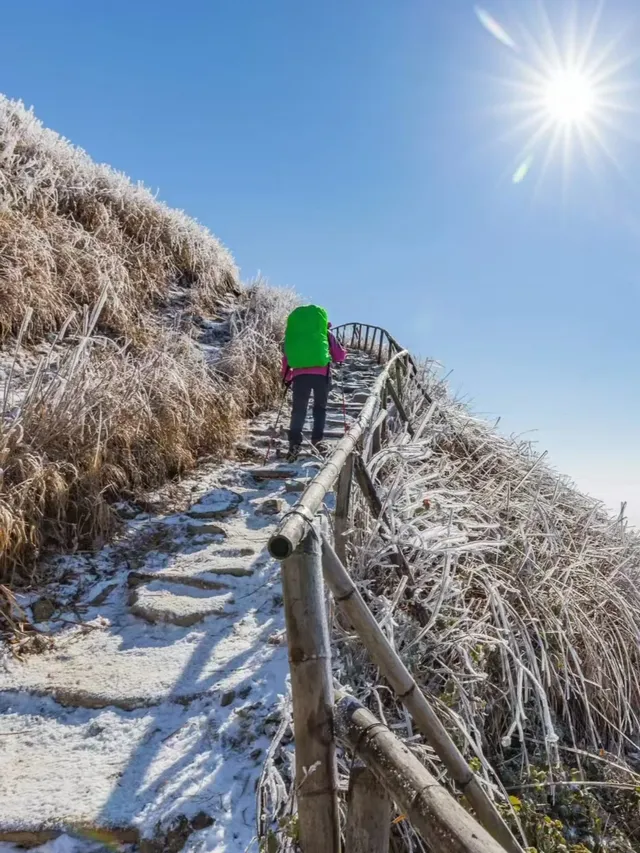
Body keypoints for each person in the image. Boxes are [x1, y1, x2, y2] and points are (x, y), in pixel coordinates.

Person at [282, 305, 346, 462]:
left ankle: (294, 444)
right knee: (319, 408)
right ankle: (317, 442)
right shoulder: (325, 333)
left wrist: (286, 377)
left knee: (298, 410)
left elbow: (286, 357)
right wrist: (343, 353)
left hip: (299, 376)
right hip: (321, 376)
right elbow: (339, 356)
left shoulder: (295, 335)